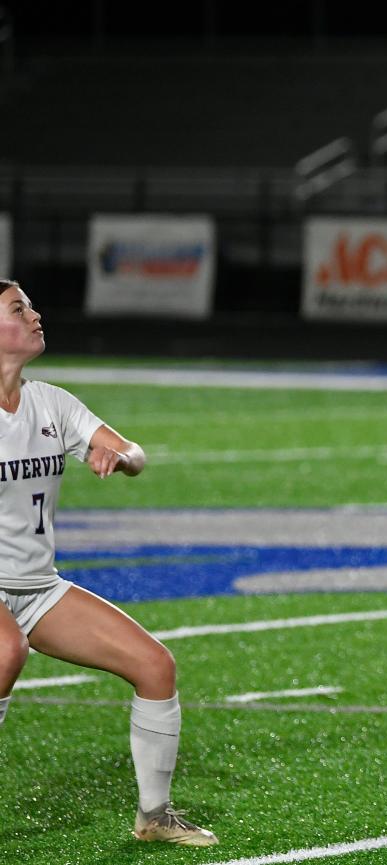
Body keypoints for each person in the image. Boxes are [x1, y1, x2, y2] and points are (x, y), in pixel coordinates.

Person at [0, 278, 217, 846]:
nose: (35, 314)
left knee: (155, 667)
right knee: (5, 650)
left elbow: (135, 452)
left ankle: (155, 817)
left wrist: (117, 456)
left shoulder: (51, 401)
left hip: (37, 586)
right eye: (18, 309)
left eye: (30, 305)